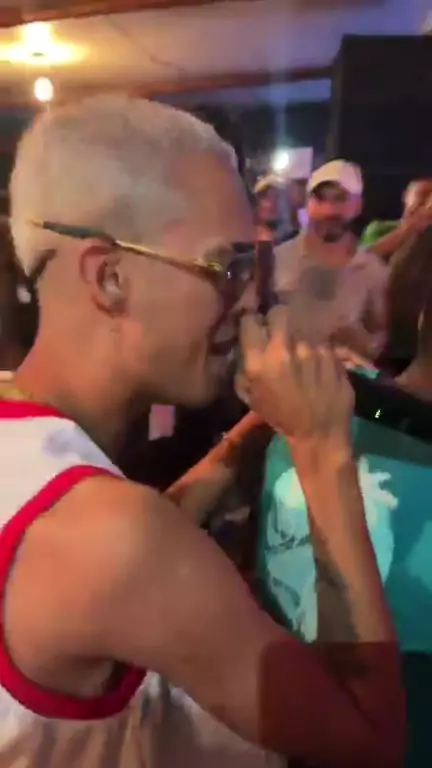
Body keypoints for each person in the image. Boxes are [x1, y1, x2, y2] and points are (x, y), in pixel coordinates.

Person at [0, 95, 404, 768]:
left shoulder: (39, 466)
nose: (249, 301)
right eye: (228, 267)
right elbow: (369, 743)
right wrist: (320, 447)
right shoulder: (115, 538)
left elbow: (107, 545)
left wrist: (250, 433)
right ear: (111, 277)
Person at [274, 160, 388, 361]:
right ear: (307, 203)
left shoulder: (372, 271)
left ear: (358, 205)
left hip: (342, 379)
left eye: (339, 199)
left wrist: (364, 344)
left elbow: (380, 339)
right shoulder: (277, 259)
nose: (328, 210)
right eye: (320, 199)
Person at [361, 179, 432, 261]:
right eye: (422, 193)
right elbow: (362, 258)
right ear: (405, 195)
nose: (425, 201)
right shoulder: (380, 228)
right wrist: (410, 228)